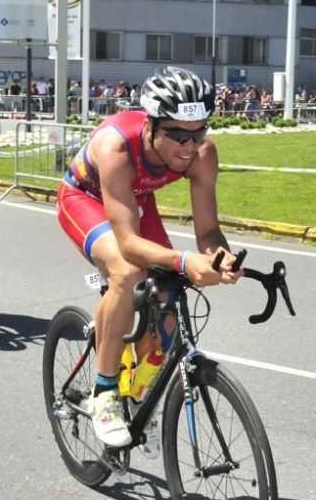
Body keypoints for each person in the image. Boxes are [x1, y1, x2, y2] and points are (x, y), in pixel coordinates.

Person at [56, 65, 242, 448]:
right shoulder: (117, 147)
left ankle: (143, 394)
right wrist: (184, 260)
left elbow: (207, 231)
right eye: (177, 134)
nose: (189, 146)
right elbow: (127, 243)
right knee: (128, 272)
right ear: (151, 125)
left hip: (136, 199)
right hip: (84, 198)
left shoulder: (202, 153)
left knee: (169, 298)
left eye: (199, 132)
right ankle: (105, 394)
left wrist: (218, 257)